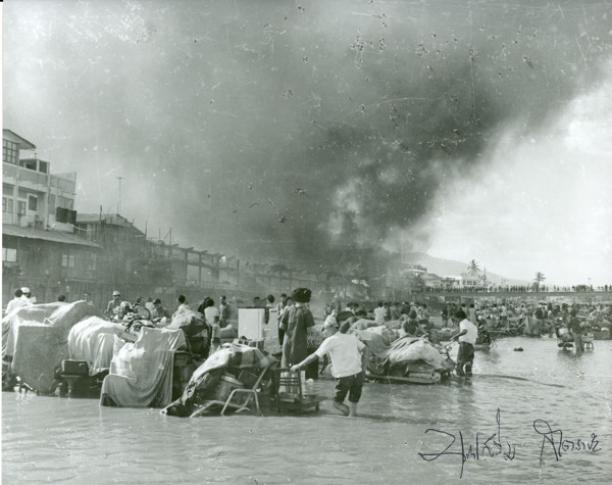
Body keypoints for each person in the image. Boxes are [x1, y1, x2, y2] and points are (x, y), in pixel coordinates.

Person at [291, 311, 366, 417]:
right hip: (358, 374)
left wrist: (299, 365)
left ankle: (352, 424)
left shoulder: (330, 340)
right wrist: (364, 366)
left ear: (332, 328)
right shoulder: (351, 337)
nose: (324, 332)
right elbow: (365, 349)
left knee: (336, 403)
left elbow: (314, 356)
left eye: (325, 329)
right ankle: (354, 420)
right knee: (353, 407)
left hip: (344, 376)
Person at [281, 288, 315, 368]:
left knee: (286, 364)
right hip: (300, 343)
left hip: (287, 342)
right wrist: (311, 344)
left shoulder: (288, 309)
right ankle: (299, 380)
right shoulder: (306, 312)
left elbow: (281, 326)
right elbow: (310, 331)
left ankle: (286, 379)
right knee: (299, 366)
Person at [451, 309, 478, 377]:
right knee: (468, 363)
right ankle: (468, 382)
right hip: (471, 346)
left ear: (459, 317)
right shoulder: (470, 323)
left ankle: (460, 383)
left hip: (464, 345)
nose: (456, 320)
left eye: (456, 319)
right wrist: (459, 338)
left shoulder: (462, 322)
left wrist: (455, 336)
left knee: (459, 365)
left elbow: (464, 331)